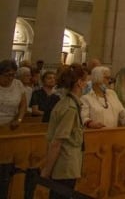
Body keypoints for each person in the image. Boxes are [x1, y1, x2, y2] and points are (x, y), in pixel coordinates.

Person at [41, 64, 88, 198]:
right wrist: (47, 170)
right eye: (85, 81)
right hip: (64, 165)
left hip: (68, 164)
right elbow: (57, 141)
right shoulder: (70, 108)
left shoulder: (68, 103)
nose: (86, 84)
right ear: (79, 83)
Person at [0, 59, 27, 129]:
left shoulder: (18, 84)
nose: (10, 78)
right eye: (7, 75)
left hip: (11, 125)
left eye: (13, 75)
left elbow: (23, 105)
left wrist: (19, 120)